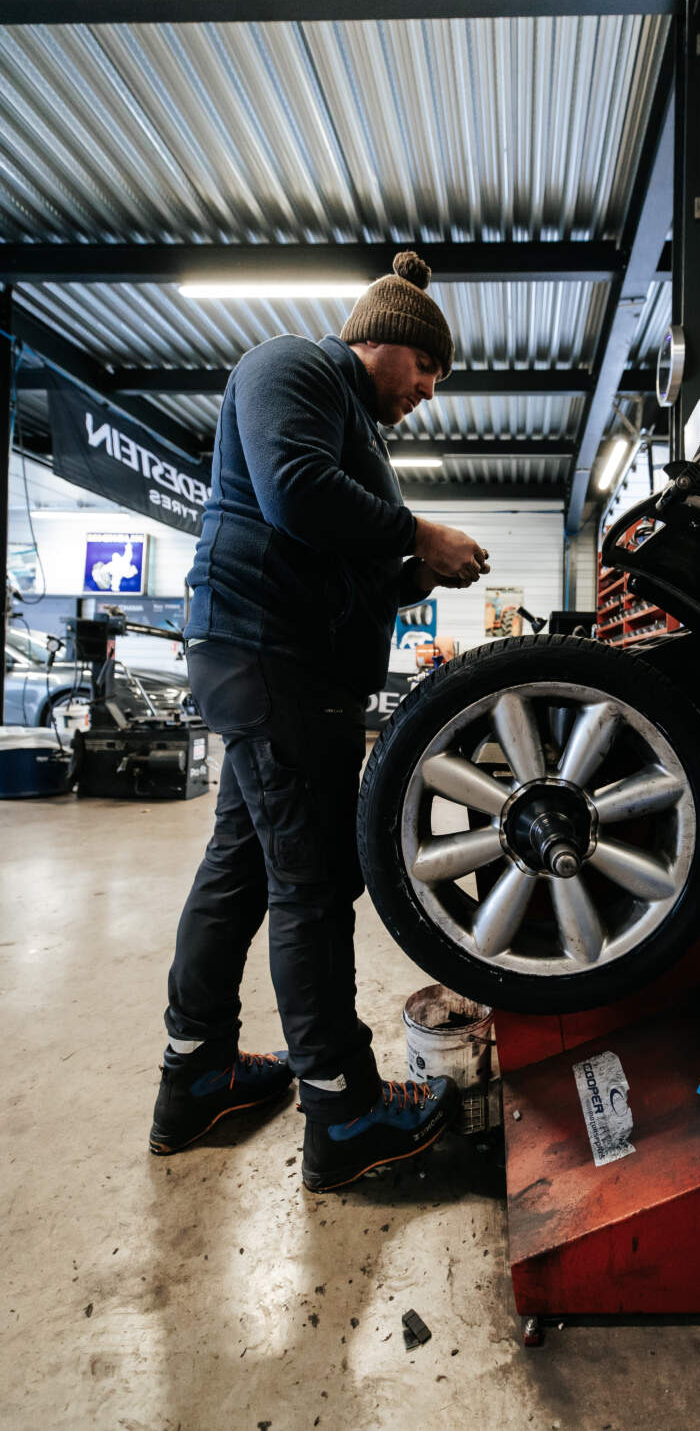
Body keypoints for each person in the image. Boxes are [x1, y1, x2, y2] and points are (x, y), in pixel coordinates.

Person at [149, 252, 490, 1190]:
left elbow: (348, 562)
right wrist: (417, 531)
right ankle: (343, 1117)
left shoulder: (363, 437)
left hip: (289, 672)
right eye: (426, 370)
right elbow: (295, 493)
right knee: (311, 885)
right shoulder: (291, 367)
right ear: (385, 340)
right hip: (269, 662)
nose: (428, 390)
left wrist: (417, 572)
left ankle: (197, 1074)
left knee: (243, 869)